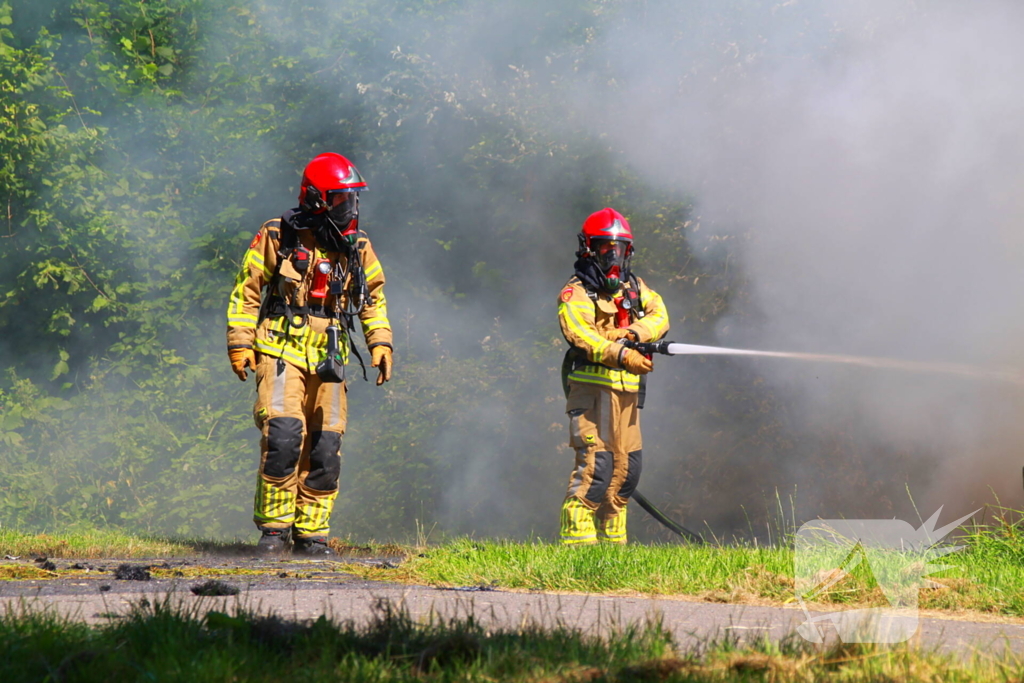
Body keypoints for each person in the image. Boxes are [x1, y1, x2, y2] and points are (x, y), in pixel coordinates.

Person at [226, 152, 393, 554]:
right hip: (280, 348)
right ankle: (274, 531)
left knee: (325, 447)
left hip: (329, 356)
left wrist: (381, 341)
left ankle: (312, 534)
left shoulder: (357, 245)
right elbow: (247, 291)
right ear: (317, 198)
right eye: (340, 198)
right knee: (283, 438)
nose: (349, 207)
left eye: (352, 199)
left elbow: (372, 298)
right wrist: (240, 343)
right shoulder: (278, 234)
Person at [557, 207, 670, 545]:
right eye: (605, 248)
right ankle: (577, 547)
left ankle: (613, 551)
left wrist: (633, 334)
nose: (613, 257)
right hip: (592, 395)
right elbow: (581, 335)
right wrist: (621, 354)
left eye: (618, 249)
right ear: (588, 249)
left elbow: (660, 315)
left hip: (627, 396)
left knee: (626, 472)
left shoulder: (633, 288)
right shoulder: (577, 292)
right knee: (597, 468)